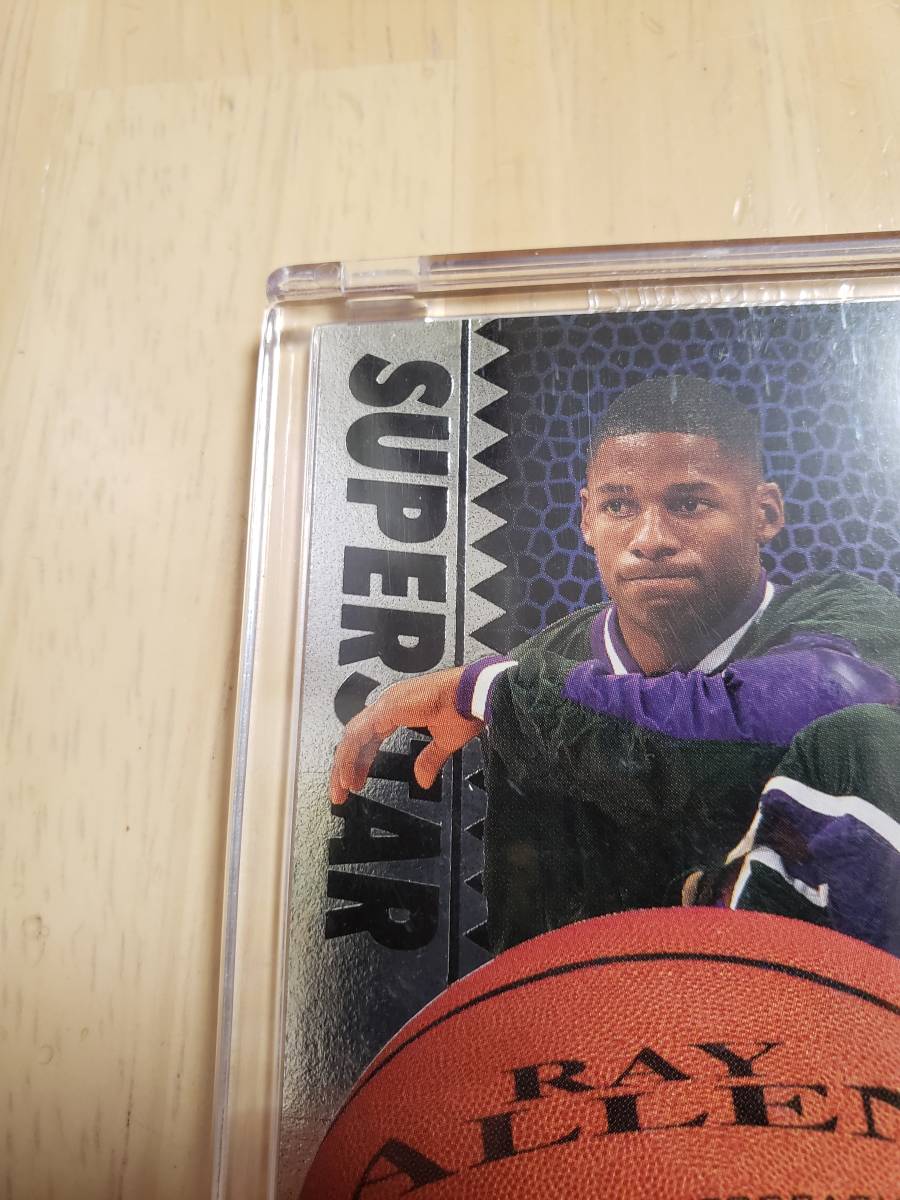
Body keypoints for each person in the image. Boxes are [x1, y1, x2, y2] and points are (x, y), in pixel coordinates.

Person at [330, 376, 900, 956]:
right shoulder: (536, 675)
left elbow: (800, 714)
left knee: (865, 736)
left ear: (765, 512)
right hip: (632, 1002)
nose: (650, 539)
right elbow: (533, 936)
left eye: (689, 504)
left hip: (826, 994)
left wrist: (499, 693)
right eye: (619, 506)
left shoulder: (852, 614)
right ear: (587, 519)